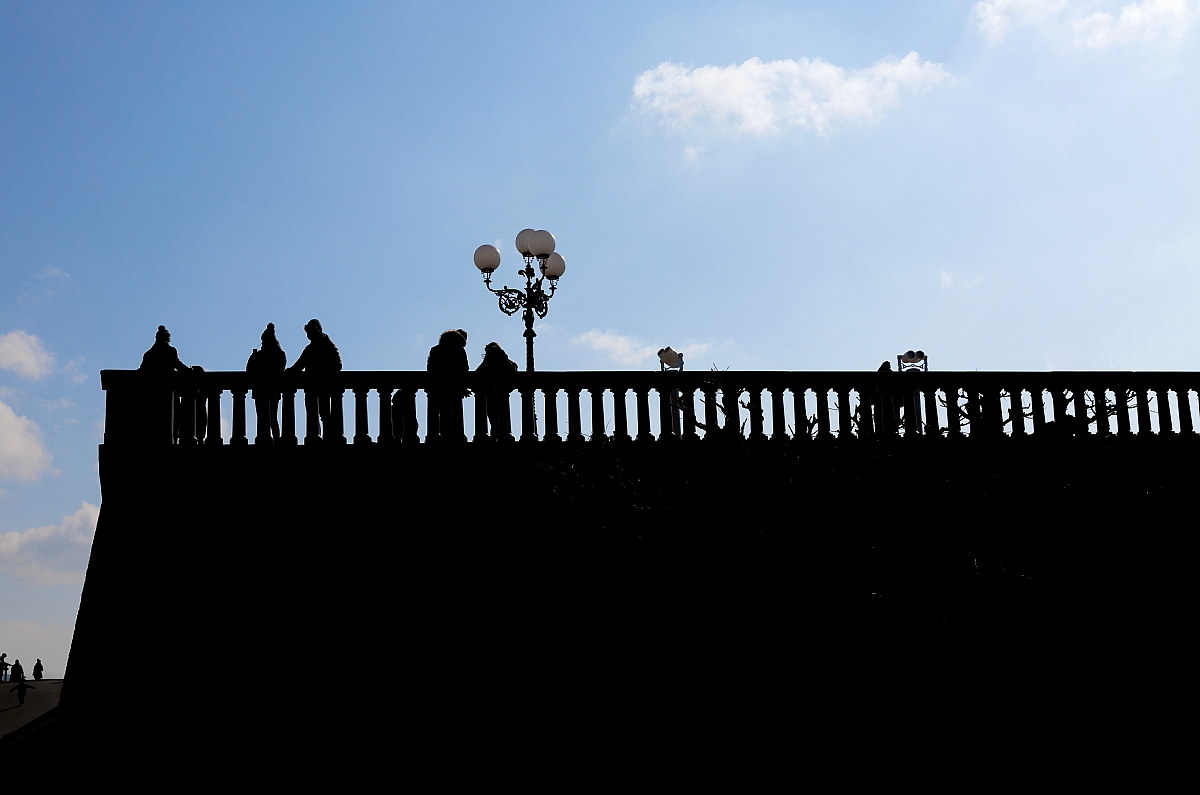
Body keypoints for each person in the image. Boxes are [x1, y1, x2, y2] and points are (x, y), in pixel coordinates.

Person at [287, 319, 342, 442]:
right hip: (312, 386)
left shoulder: (327, 346)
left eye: (310, 332)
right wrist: (291, 371)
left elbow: (338, 364)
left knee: (323, 413)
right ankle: (318, 436)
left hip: (322, 385)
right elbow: (300, 364)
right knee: (313, 413)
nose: (309, 335)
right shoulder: (312, 348)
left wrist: (324, 373)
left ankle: (326, 437)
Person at [247, 322, 287, 444]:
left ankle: (268, 439)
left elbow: (249, 371)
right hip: (270, 390)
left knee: (264, 417)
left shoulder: (261, 356)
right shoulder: (279, 354)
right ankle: (274, 439)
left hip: (264, 390)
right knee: (271, 417)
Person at [426, 329, 470, 442]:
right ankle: (453, 436)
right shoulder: (460, 351)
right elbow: (464, 369)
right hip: (454, 388)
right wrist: (463, 386)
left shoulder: (435, 350)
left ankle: (439, 437)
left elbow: (430, 370)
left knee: (439, 414)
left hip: (438, 388)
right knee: (454, 414)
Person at [476, 341, 517, 441]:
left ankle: (495, 437)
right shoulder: (503, 358)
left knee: (493, 418)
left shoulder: (488, 360)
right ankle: (502, 436)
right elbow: (513, 367)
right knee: (502, 416)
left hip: (490, 392)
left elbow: (478, 373)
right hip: (502, 392)